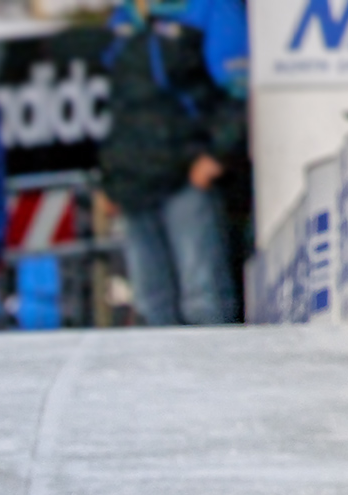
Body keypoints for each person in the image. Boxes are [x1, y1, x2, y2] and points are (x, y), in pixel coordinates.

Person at [96, 0, 246, 325]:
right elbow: (118, 110)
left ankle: (218, 373)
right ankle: (158, 377)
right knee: (151, 304)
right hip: (134, 181)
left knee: (203, 298)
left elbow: (238, 92)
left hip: (187, 176)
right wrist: (111, 178)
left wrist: (216, 156)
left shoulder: (208, 9)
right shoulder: (122, 19)